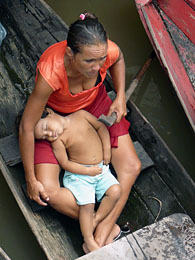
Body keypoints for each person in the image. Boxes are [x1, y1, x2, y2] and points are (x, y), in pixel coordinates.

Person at [19, 11, 141, 247]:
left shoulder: (105, 52)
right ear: (69, 54)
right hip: (57, 119)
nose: (97, 68)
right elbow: (26, 127)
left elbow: (118, 58)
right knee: (47, 191)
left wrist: (121, 96)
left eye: (100, 60)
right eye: (89, 62)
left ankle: (100, 231)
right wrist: (30, 179)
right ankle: (104, 229)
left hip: (95, 106)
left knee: (132, 166)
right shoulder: (51, 72)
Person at [34, 108, 121, 252]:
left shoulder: (81, 115)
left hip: (100, 169)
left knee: (116, 191)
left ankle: (96, 220)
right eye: (45, 137)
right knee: (87, 205)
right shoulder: (58, 140)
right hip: (80, 176)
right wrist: (87, 171)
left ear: (49, 112)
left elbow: (101, 127)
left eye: (45, 128)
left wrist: (107, 151)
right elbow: (66, 163)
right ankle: (89, 240)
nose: (49, 135)